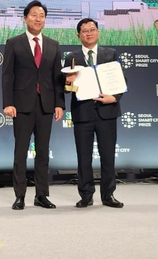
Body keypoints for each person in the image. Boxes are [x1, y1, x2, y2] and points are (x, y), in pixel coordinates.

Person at [2, 0, 64, 210]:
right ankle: (20, 196)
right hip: (21, 105)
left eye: (42, 16)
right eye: (34, 15)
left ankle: (42, 195)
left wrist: (59, 104)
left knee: (43, 152)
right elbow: (7, 76)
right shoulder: (14, 43)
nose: (38, 19)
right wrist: (8, 103)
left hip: (46, 105)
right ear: (25, 18)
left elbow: (57, 78)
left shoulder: (54, 45)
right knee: (20, 152)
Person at [63, 18, 124, 208]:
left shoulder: (111, 54)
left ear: (98, 32)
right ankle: (86, 195)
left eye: (92, 29)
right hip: (83, 114)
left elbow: (121, 82)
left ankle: (108, 195)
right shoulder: (71, 57)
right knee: (83, 156)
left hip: (107, 111)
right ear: (78, 35)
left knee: (108, 156)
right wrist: (69, 83)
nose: (89, 33)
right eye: (84, 31)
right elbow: (66, 90)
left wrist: (113, 98)